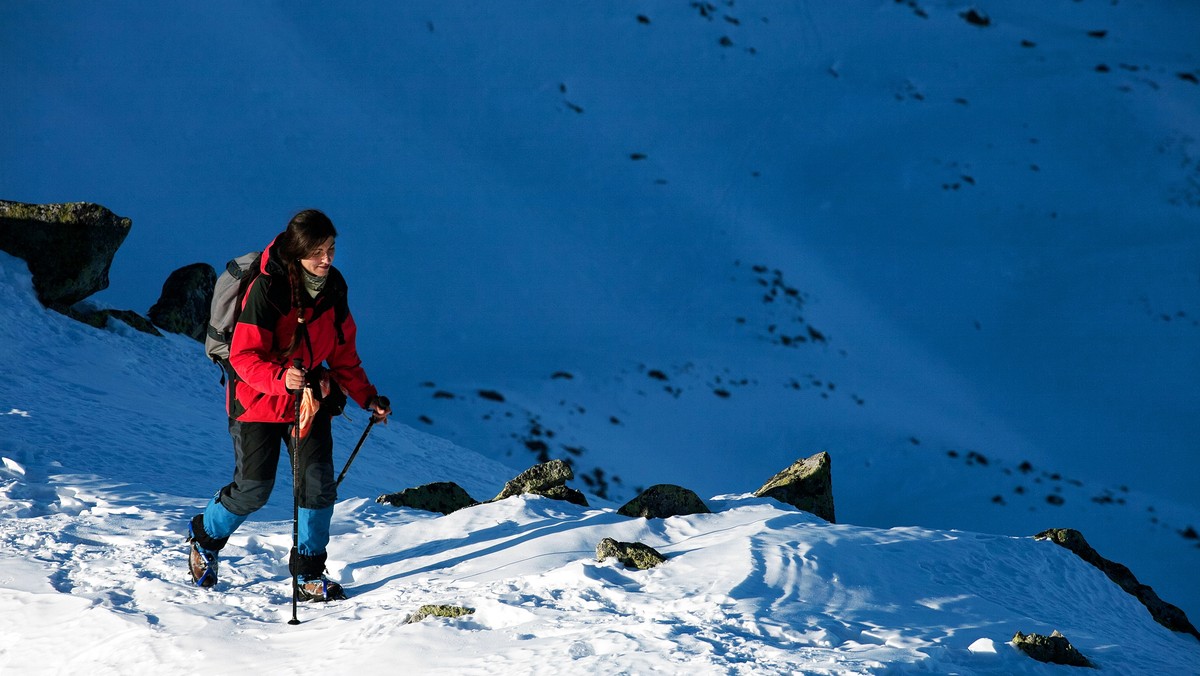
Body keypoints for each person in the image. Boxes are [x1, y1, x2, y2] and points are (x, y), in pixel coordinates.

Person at [187, 209, 391, 601]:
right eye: (317, 252)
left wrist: (368, 398)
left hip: (307, 401)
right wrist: (280, 379)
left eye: (330, 249)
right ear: (297, 253)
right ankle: (204, 537)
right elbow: (244, 356)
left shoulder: (334, 288)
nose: (327, 259)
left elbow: (344, 355)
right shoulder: (269, 289)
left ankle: (309, 572)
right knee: (253, 490)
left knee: (316, 487)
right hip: (257, 399)